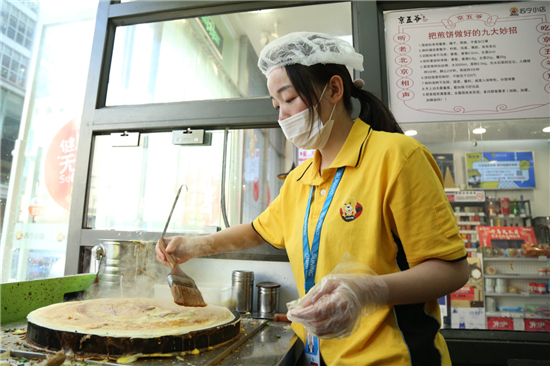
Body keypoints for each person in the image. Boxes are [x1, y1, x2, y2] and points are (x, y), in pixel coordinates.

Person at [156, 32, 469, 365]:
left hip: (394, 357)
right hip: (321, 356)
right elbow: (257, 231)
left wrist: (368, 290)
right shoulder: (301, 179)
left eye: (289, 99)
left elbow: (451, 270)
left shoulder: (397, 157)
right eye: (276, 105)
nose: (282, 115)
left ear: (334, 89)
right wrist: (194, 246)